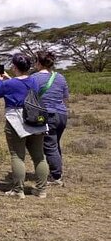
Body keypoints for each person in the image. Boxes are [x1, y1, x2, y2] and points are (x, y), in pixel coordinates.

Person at [0, 53, 49, 199]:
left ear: (14, 67)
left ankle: (18, 190)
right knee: (39, 156)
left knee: (17, 155)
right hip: (35, 118)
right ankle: (41, 189)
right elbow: (23, 85)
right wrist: (10, 79)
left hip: (16, 120)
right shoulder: (34, 81)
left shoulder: (8, 84)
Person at [32, 50, 69, 186]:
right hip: (62, 114)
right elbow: (65, 98)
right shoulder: (60, 77)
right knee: (55, 143)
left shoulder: (35, 78)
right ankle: (57, 171)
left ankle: (56, 176)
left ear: (39, 63)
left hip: (48, 115)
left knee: (49, 146)